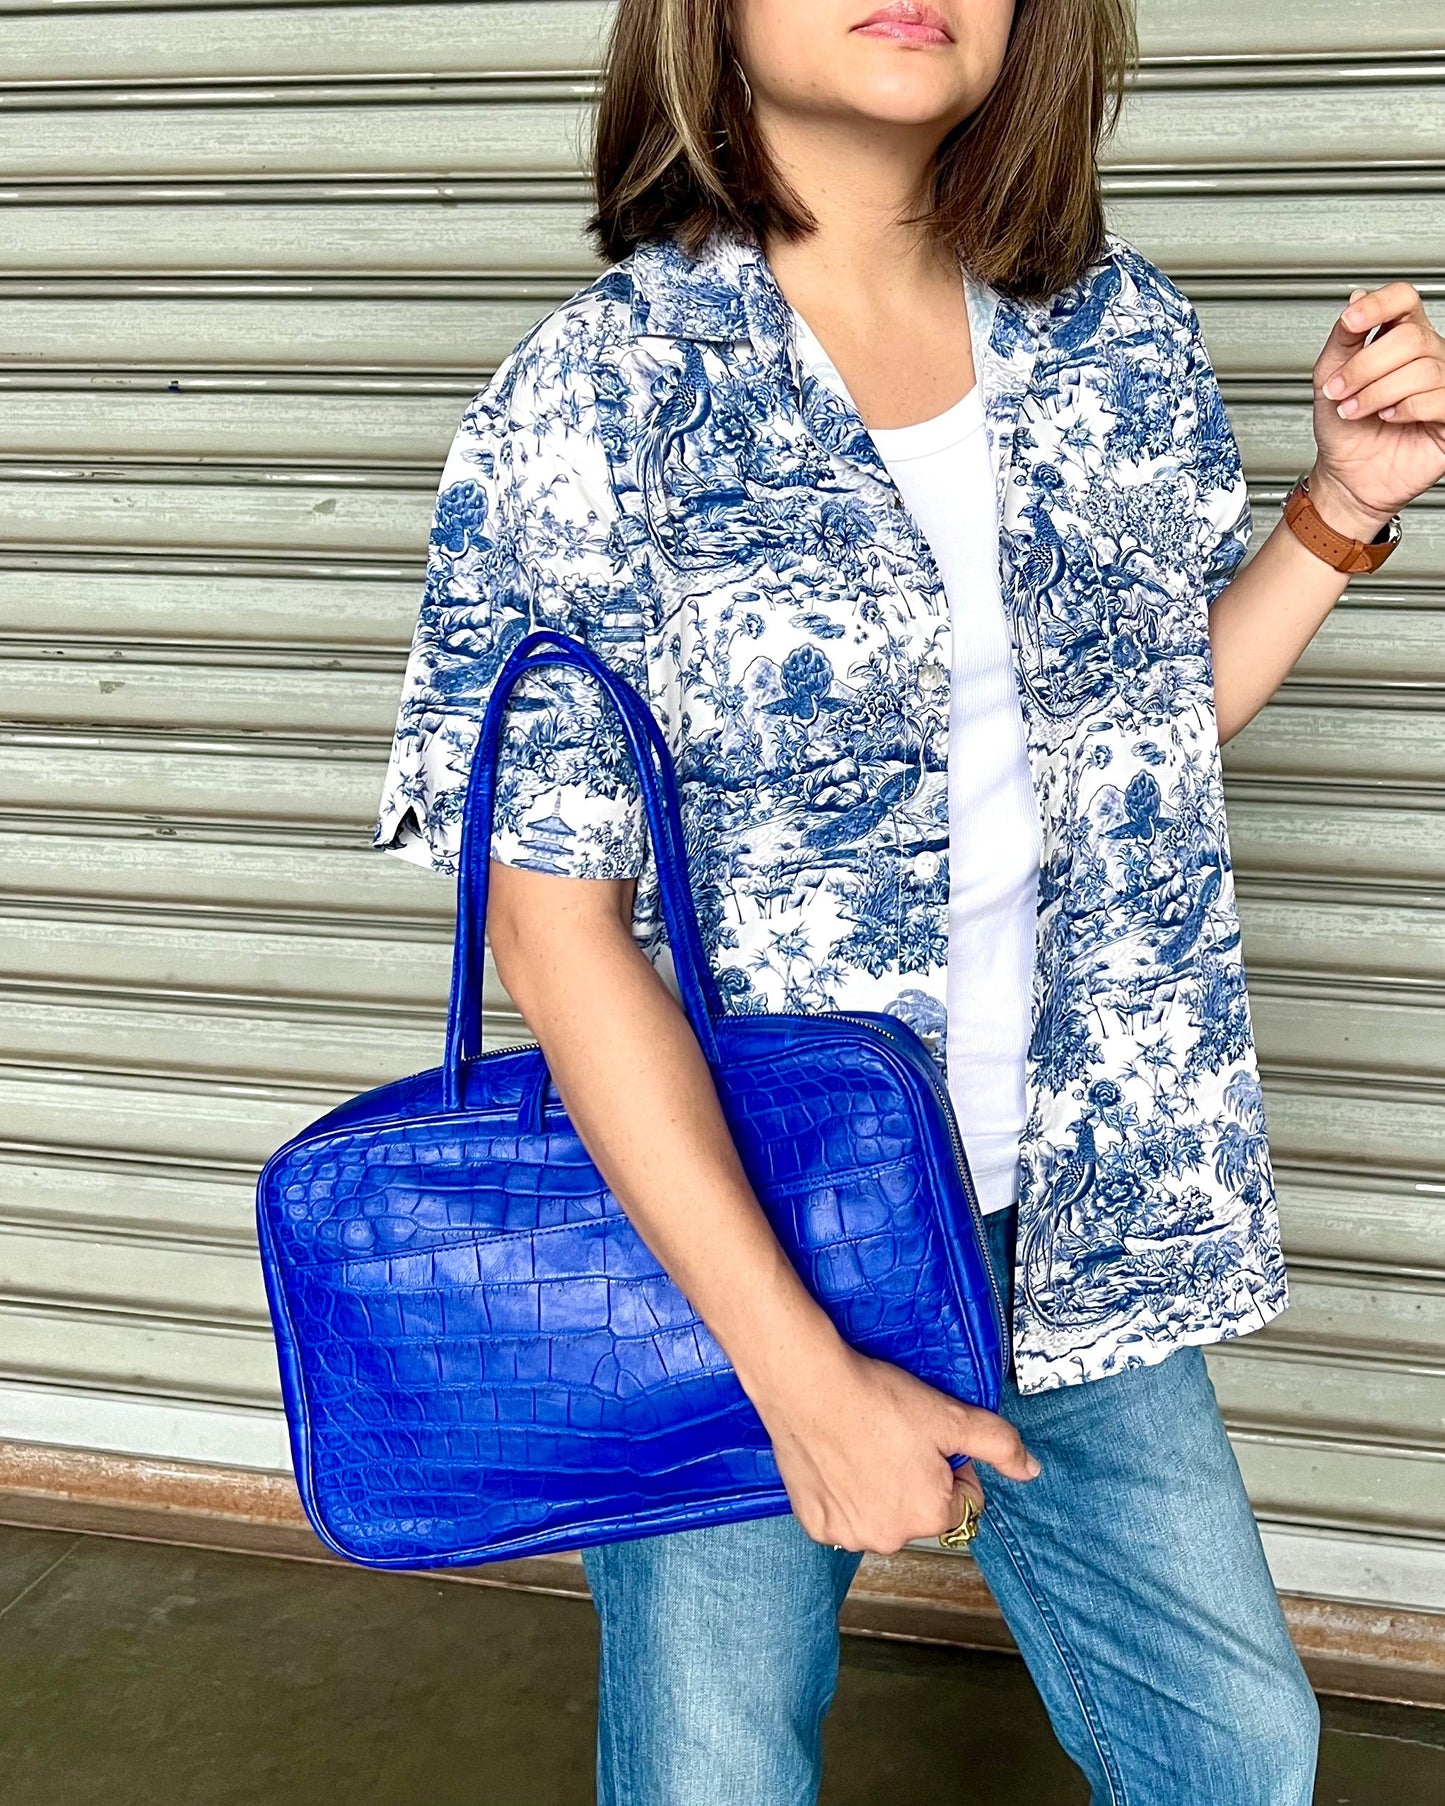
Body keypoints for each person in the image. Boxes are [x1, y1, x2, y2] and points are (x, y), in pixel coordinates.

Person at [372, 3, 1445, 1800]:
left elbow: (1129, 741)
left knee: (1233, 1746)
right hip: (749, 1226)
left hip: (1073, 1202)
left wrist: (1338, 505)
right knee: (714, 1766)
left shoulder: (1116, 337)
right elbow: (555, 933)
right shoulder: (600, 394)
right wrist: (802, 1376)